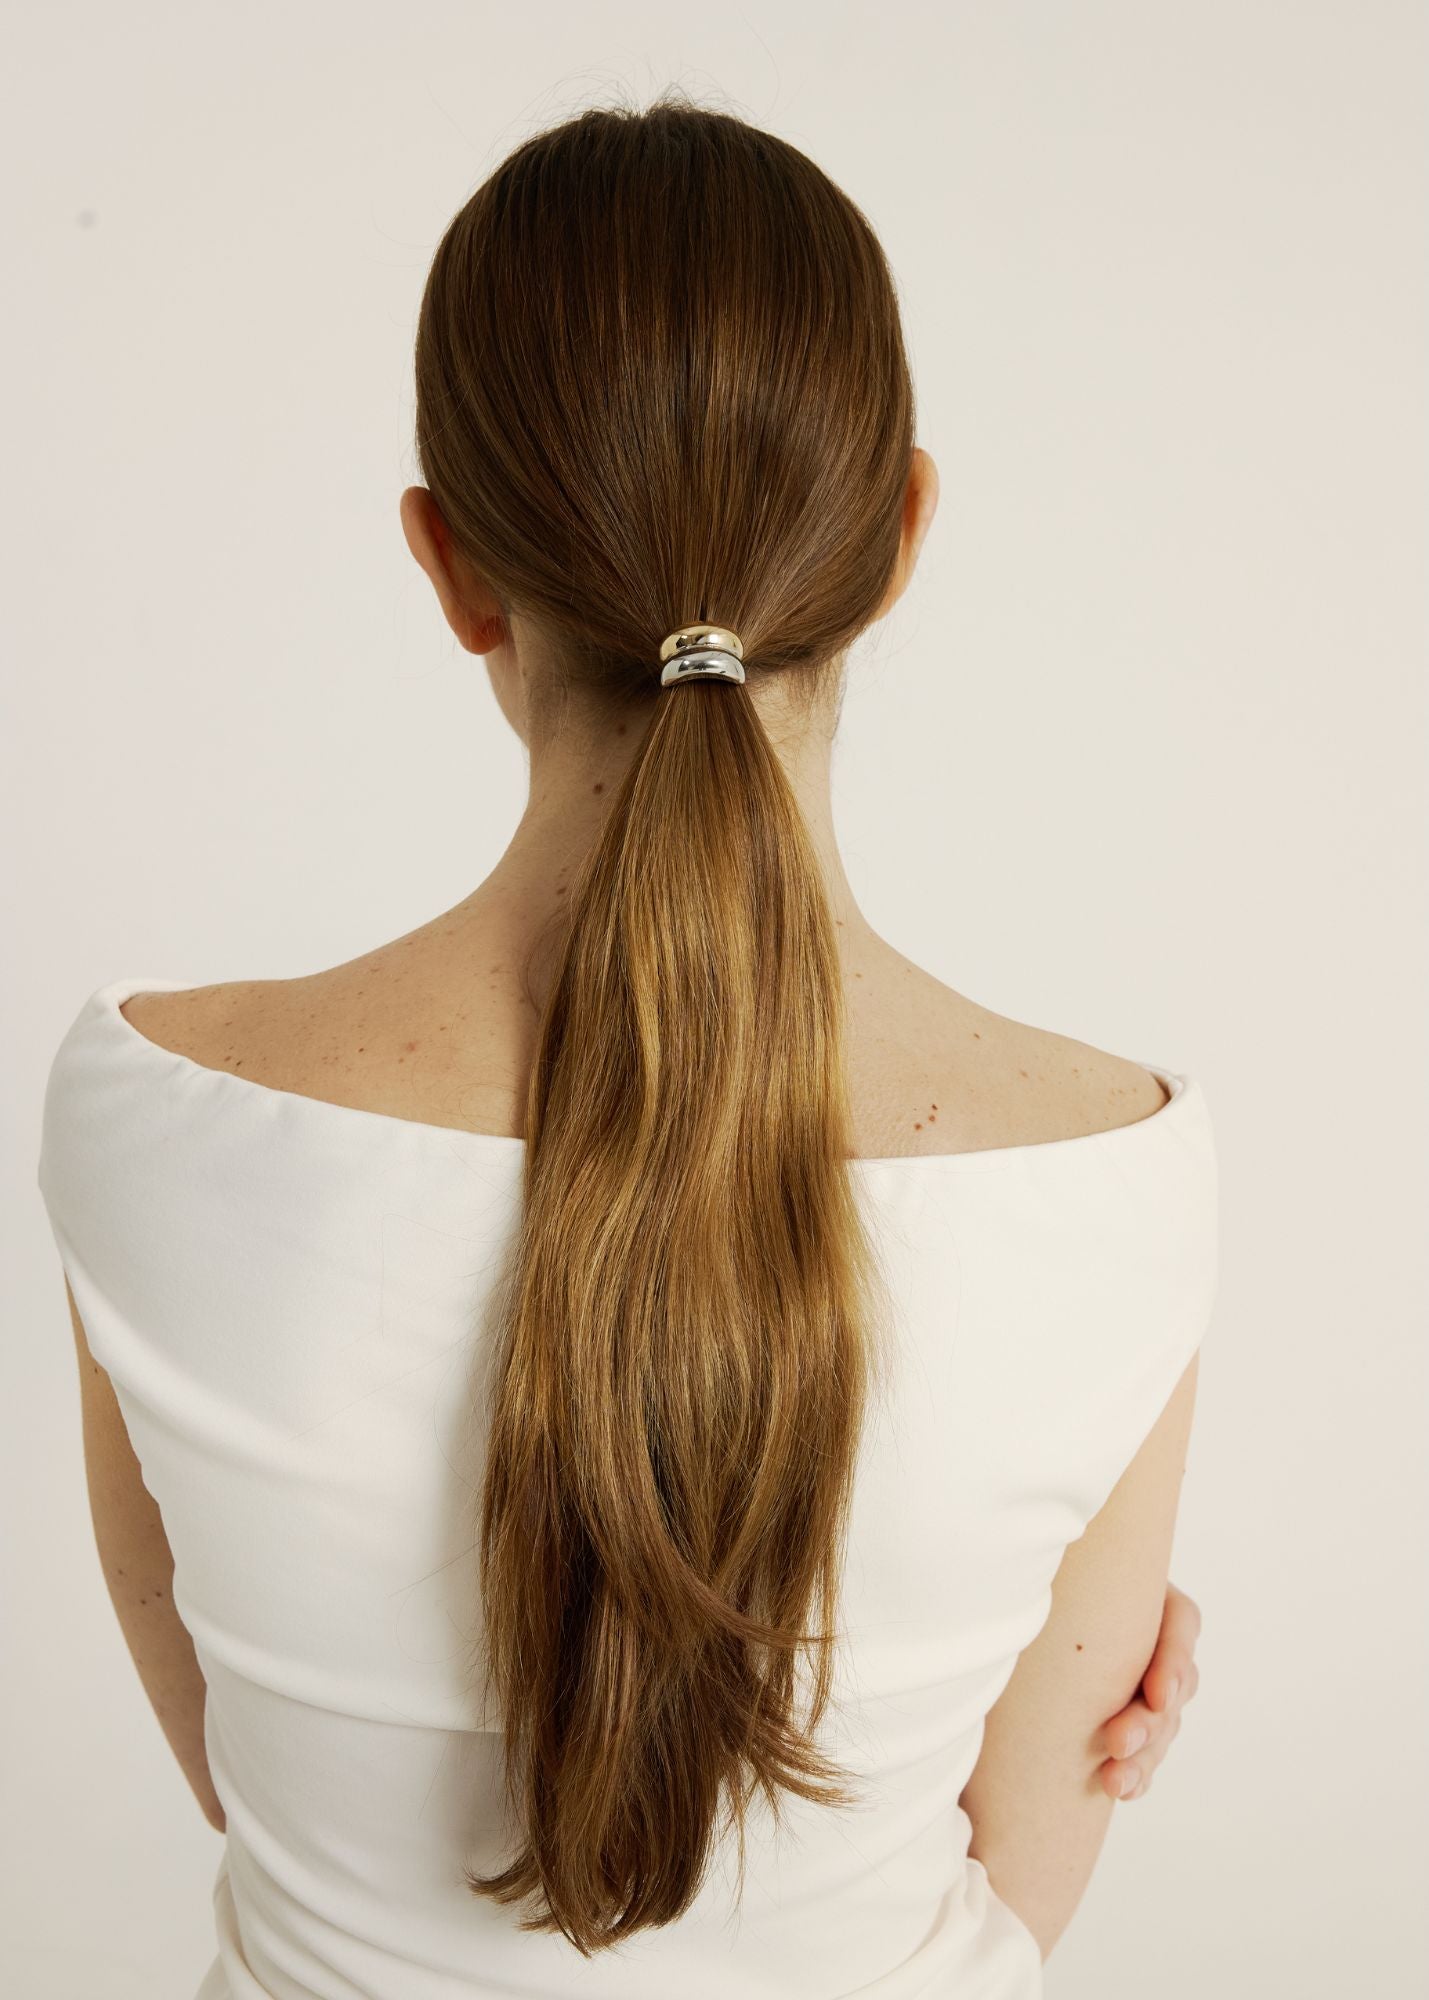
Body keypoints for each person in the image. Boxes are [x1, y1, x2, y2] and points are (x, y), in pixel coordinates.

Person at [37, 94, 1216, 1999]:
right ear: (898, 535)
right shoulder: (1114, 1177)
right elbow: (1020, 1873)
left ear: (449, 567)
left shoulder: (150, 1113)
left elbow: (250, 1789)